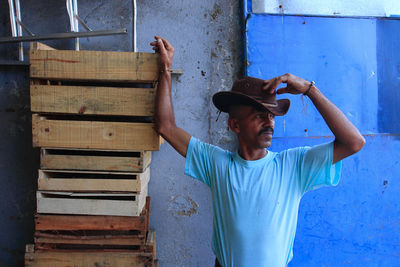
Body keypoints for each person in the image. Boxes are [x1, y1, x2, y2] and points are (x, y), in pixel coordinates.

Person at [150, 36, 365, 267]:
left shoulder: (293, 166)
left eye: (271, 116)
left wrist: (309, 90)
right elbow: (166, 126)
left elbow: (354, 142)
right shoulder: (217, 164)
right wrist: (166, 68)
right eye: (259, 116)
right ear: (235, 125)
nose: (270, 122)